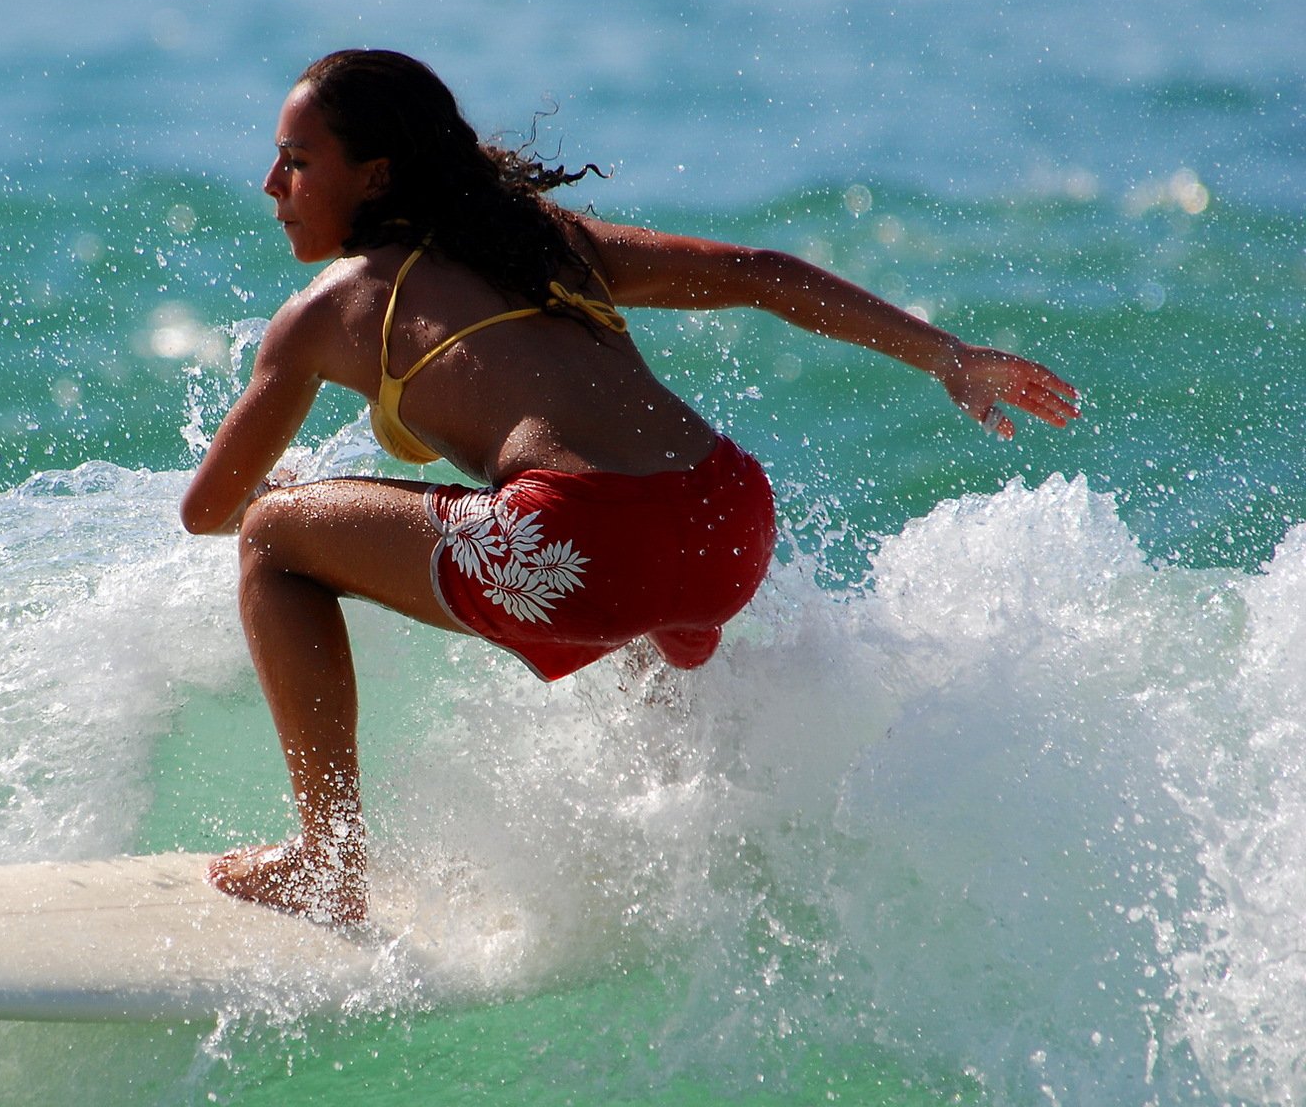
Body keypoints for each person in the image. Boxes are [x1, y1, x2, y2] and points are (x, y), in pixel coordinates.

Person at [180, 49, 1078, 925]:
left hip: (589, 544)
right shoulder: (544, 239)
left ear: (374, 177)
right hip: (726, 518)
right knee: (646, 635)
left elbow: (210, 511)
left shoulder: (327, 311)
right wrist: (944, 354)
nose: (271, 185)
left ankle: (328, 860)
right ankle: (710, 840)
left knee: (270, 536)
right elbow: (759, 274)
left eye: (296, 163)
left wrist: (294, 494)